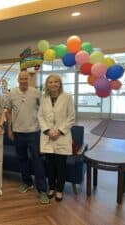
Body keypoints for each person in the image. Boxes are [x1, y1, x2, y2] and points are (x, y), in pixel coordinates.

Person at [5, 70, 49, 204]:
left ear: (29, 80)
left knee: (37, 161)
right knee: (22, 159)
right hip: (18, 132)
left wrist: (44, 129)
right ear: (18, 80)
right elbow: (8, 111)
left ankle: (42, 190)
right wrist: (9, 129)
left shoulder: (35, 92)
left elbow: (44, 110)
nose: (23, 81)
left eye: (26, 78)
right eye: (21, 78)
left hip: (33, 132)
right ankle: (27, 182)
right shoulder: (11, 93)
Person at [38, 73, 75, 201]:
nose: (53, 84)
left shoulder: (67, 97)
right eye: (50, 82)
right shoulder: (44, 98)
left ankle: (60, 190)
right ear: (47, 85)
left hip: (61, 136)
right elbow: (40, 116)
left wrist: (59, 131)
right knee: (50, 165)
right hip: (48, 136)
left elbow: (71, 118)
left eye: (56, 82)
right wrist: (48, 131)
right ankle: (52, 188)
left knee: (61, 166)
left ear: (60, 84)